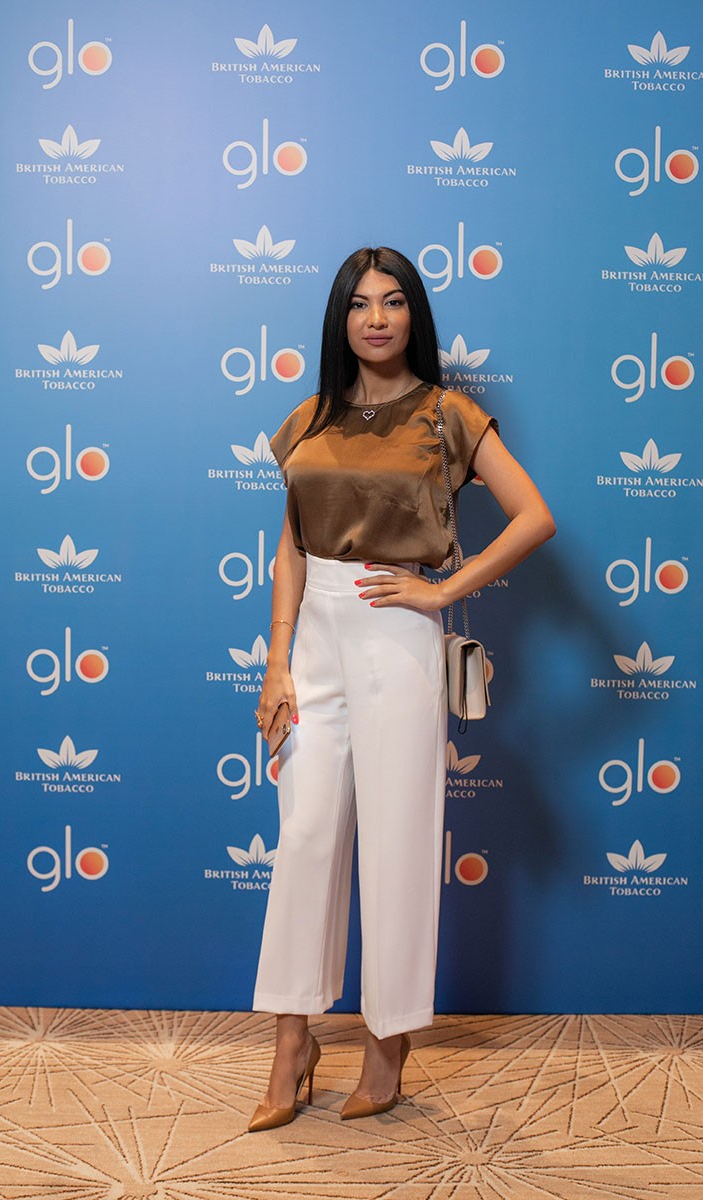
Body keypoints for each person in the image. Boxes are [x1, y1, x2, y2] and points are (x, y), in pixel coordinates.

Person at [248, 247, 555, 1132]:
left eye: (392, 302)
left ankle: (387, 1042)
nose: (375, 318)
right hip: (314, 638)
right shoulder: (310, 417)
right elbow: (291, 546)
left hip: (396, 634)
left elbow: (535, 517)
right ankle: (292, 1042)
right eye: (359, 304)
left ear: (414, 314)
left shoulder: (448, 414)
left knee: (397, 840)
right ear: (340, 319)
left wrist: (442, 591)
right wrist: (276, 661)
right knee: (305, 834)